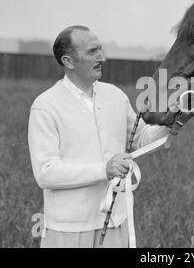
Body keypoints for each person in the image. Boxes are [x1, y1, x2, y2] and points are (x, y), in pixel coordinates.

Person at [27, 25, 170, 248]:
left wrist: (174, 120)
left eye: (100, 49)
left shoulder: (115, 96)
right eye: (92, 51)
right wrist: (104, 169)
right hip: (68, 230)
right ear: (68, 61)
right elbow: (45, 173)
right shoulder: (45, 106)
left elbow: (142, 139)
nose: (102, 57)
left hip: (115, 222)